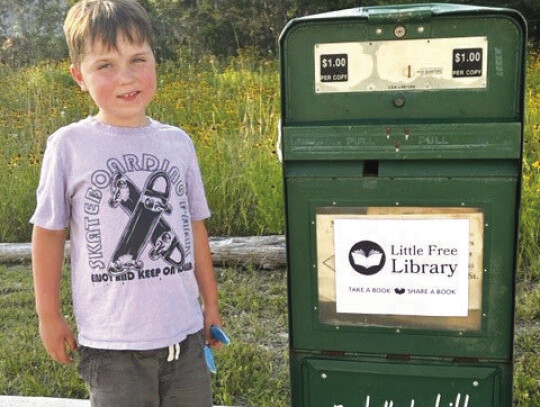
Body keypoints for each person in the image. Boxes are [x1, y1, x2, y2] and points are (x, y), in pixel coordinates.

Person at [30, 1, 222, 406]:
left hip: (184, 337)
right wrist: (49, 316)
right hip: (112, 344)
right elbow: (48, 233)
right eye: (105, 65)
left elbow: (195, 228)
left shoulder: (178, 143)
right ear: (78, 76)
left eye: (138, 59)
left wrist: (211, 306)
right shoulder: (68, 145)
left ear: (156, 60)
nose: (126, 77)